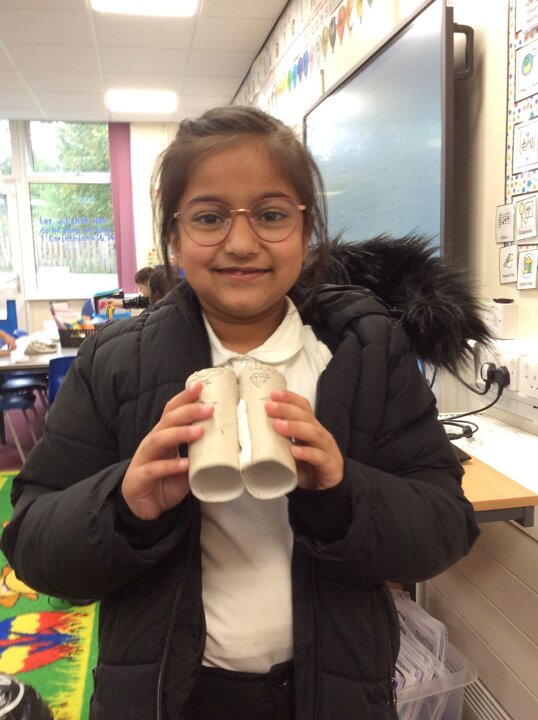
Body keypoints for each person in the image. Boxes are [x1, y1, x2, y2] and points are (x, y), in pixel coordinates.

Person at [1, 106, 489, 720]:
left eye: (271, 214)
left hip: (335, 694)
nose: (240, 242)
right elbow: (34, 544)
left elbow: (444, 525)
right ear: (174, 235)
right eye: (209, 217)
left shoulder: (367, 353)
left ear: (306, 231)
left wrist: (344, 493)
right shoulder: (116, 363)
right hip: (165, 697)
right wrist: (124, 505)